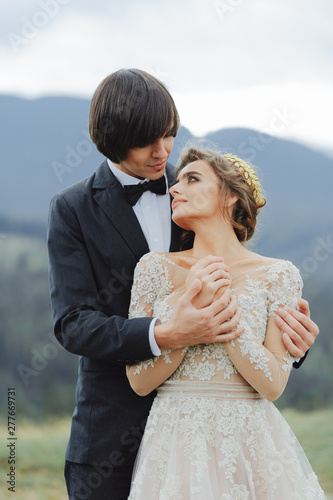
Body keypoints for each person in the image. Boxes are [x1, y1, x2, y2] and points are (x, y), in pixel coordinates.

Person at [47, 69, 319, 500]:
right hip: (111, 437)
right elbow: (74, 323)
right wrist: (167, 333)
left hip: (227, 439)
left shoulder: (192, 188)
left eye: (169, 135)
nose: (164, 152)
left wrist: (289, 344)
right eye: (147, 142)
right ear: (113, 141)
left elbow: (254, 292)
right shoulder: (72, 209)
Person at [126, 147, 326, 499]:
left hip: (249, 443)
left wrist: (225, 315)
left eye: (192, 178)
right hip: (175, 441)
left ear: (231, 195)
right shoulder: (153, 269)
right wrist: (188, 321)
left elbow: (273, 385)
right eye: (176, 182)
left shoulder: (277, 275)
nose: (174, 189)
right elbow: (139, 382)